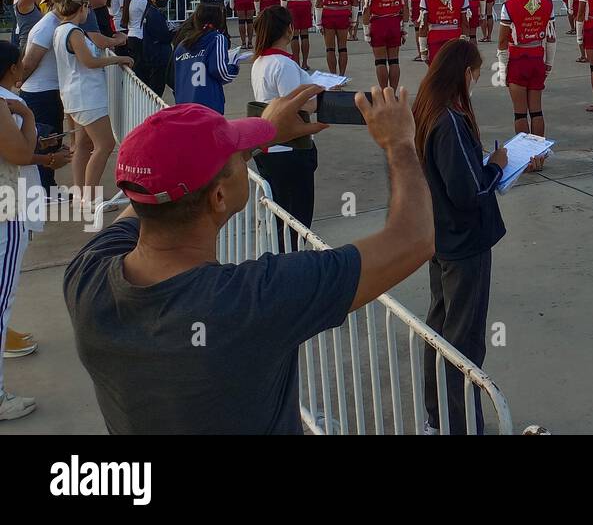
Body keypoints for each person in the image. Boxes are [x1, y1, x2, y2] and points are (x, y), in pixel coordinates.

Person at [63, 83, 433, 435]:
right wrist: (399, 143)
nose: (245, 159)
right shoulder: (251, 301)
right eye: (237, 158)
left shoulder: (87, 277)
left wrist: (261, 133)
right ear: (219, 198)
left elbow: (153, 195)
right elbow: (414, 238)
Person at [412, 40, 544, 434]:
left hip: (442, 236)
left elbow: (456, 178)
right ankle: (462, 423)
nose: (477, 80)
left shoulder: (429, 110)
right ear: (462, 73)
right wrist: (498, 167)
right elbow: (469, 193)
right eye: (475, 73)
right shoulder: (449, 120)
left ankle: (438, 418)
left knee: (439, 330)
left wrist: (484, 166)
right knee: (464, 341)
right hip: (464, 241)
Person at [50, 0, 132, 193]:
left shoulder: (61, 30)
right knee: (104, 144)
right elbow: (89, 61)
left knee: (82, 145)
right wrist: (118, 59)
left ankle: (81, 193)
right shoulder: (74, 32)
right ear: (82, 7)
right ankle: (90, 195)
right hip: (87, 96)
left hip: (74, 94)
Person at [250, 7, 321, 242]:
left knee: (281, 215)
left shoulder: (261, 61)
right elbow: (296, 105)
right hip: (290, 149)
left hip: (272, 147)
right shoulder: (283, 64)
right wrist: (319, 97)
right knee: (296, 220)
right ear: (289, 29)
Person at [0, 41, 38, 422]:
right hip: (4, 208)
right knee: (0, 303)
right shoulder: (4, 104)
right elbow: (22, 155)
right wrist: (27, 116)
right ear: (12, 68)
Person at [497, 0, 555, 137]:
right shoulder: (547, 3)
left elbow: (502, 41)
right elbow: (551, 38)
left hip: (517, 60)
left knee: (520, 113)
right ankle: (538, 155)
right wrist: (548, 64)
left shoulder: (509, 6)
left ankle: (526, 159)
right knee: (537, 111)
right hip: (537, 58)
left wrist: (502, 69)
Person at [172, 0, 239, 112]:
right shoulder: (217, 38)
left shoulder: (182, 45)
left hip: (183, 104)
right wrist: (233, 67)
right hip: (207, 104)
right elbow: (220, 71)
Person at [363, 0, 408, 90]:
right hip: (394, 23)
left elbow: (366, 9)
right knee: (394, 61)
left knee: (380, 62)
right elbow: (406, 7)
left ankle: (384, 93)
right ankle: (393, 93)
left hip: (378, 24)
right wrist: (405, 29)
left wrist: (366, 32)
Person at [417, 0, 469, 68]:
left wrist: (423, 51)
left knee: (436, 76)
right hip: (455, 38)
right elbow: (465, 23)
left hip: (435, 39)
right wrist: (465, 43)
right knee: (455, 75)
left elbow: (423, 26)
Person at [315, 0, 358, 76]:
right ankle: (342, 75)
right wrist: (354, 21)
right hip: (343, 15)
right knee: (343, 48)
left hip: (328, 16)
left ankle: (333, 76)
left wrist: (318, 23)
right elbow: (355, 2)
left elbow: (318, 4)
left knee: (330, 49)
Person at [138, 0, 174, 97]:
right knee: (156, 88)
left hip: (158, 55)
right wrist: (175, 33)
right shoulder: (153, 15)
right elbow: (163, 36)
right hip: (158, 57)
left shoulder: (154, 12)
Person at [119, 0, 151, 66]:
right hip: (139, 36)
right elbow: (150, 14)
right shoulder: (140, 1)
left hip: (132, 35)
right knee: (140, 67)